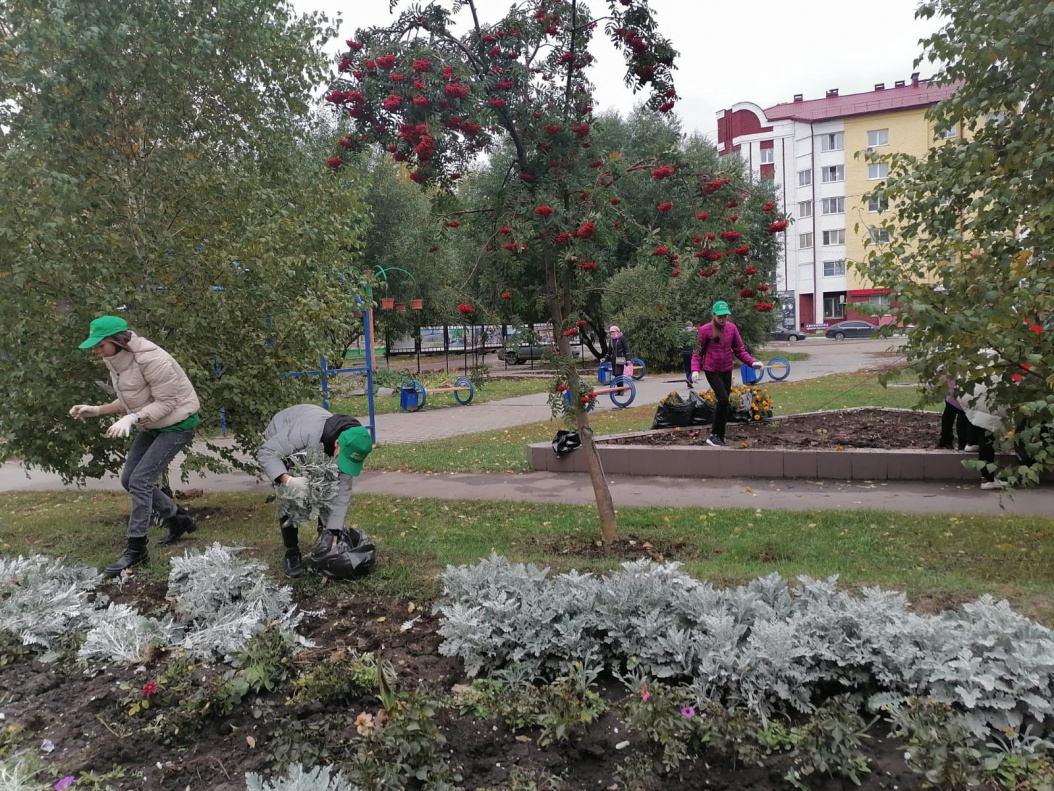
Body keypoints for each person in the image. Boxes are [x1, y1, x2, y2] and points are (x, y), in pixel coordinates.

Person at [69, 316, 201, 576]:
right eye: (96, 347)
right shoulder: (116, 361)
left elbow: (166, 404)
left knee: (140, 480)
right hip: (153, 424)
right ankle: (177, 518)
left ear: (118, 341)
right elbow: (128, 401)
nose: (97, 352)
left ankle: (137, 549)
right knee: (130, 479)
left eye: (100, 346)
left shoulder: (153, 359)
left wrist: (132, 418)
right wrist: (95, 410)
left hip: (178, 423)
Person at [257, 404, 374, 577]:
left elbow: (342, 493)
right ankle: (291, 551)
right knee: (290, 496)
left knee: (327, 486)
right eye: (344, 457)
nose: (345, 465)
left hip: (317, 442)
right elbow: (266, 453)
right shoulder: (306, 432)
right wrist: (288, 480)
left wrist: (333, 532)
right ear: (337, 443)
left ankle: (324, 538)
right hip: (282, 437)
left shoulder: (352, 442)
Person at [690, 301, 764, 447]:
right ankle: (713, 435)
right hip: (712, 369)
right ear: (714, 315)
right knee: (723, 399)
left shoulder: (732, 328)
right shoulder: (705, 330)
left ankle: (720, 436)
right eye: (720, 317)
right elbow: (698, 352)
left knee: (725, 402)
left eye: (725, 316)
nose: (722, 319)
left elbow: (739, 350)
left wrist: (752, 362)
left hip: (726, 369)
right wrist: (694, 370)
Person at [961, 379, 1007, 490]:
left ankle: (972, 443)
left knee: (977, 420)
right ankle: (988, 478)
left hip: (974, 395)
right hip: (988, 401)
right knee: (987, 436)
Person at [937, 376, 971, 450]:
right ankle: (962, 443)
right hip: (962, 384)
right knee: (962, 413)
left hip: (953, 383)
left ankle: (945, 441)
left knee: (950, 412)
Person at [680, 321, 697, 388]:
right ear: (691, 325)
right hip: (691, 352)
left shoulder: (682, 332)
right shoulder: (694, 331)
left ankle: (688, 380)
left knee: (687, 367)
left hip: (684, 352)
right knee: (693, 366)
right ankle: (689, 379)